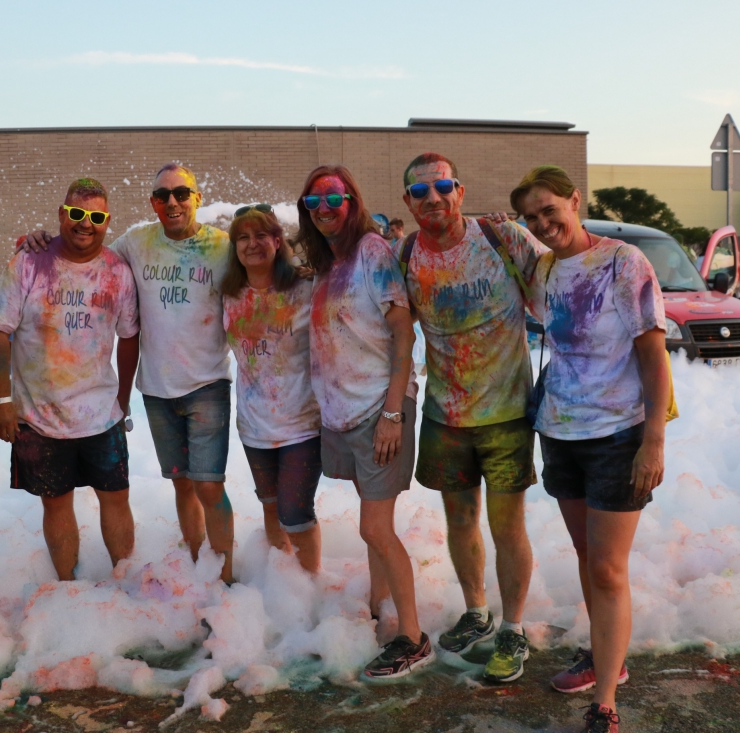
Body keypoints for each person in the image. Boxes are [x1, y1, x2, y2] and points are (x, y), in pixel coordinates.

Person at [21, 164, 235, 583]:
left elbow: (263, 273)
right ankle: (196, 565)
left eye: (181, 193)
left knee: (209, 486)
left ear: (197, 197)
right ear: (153, 204)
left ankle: (226, 578)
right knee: (183, 485)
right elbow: (86, 247)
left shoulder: (223, 247)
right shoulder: (136, 243)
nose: (172, 202)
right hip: (156, 389)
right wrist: (39, 242)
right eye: (161, 196)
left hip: (208, 384)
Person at [513, 166, 668, 733]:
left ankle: (605, 702)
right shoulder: (548, 269)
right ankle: (607, 655)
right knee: (587, 558)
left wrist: (653, 440)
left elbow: (654, 355)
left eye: (550, 208)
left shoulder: (624, 262)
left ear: (575, 201)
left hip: (617, 436)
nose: (543, 222)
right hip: (559, 433)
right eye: (531, 217)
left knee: (607, 568)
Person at [398, 152, 545, 683]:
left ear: (459, 190)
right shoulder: (407, 254)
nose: (432, 198)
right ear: (409, 203)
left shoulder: (501, 239)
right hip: (445, 415)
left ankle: (514, 627)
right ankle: (477, 612)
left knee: (507, 528)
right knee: (459, 521)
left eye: (442, 186)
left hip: (506, 415)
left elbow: (557, 291)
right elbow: (386, 325)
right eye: (420, 191)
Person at [294, 165, 427, 679]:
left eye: (334, 198)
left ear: (353, 199)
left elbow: (403, 334)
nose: (324, 209)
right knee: (376, 526)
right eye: (314, 202)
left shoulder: (372, 252)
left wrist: (393, 412)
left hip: (379, 409)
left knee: (373, 525)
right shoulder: (327, 264)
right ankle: (377, 609)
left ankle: (413, 636)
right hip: (343, 413)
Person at [0, 178, 139, 580]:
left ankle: (125, 579)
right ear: (61, 214)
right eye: (76, 213)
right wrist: (2, 402)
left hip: (100, 414)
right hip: (40, 414)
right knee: (55, 503)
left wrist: (121, 398)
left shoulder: (118, 271)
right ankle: (68, 588)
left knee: (116, 497)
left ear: (107, 222)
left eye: (96, 216)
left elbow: (129, 336)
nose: (85, 223)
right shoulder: (28, 262)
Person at [222, 204, 322, 572]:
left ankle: (310, 586)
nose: (253, 244)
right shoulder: (229, 295)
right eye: (243, 237)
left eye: (262, 235)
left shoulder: (306, 288)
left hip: (301, 424)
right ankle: (284, 582)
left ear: (278, 241)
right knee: (269, 504)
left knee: (294, 513)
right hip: (253, 425)